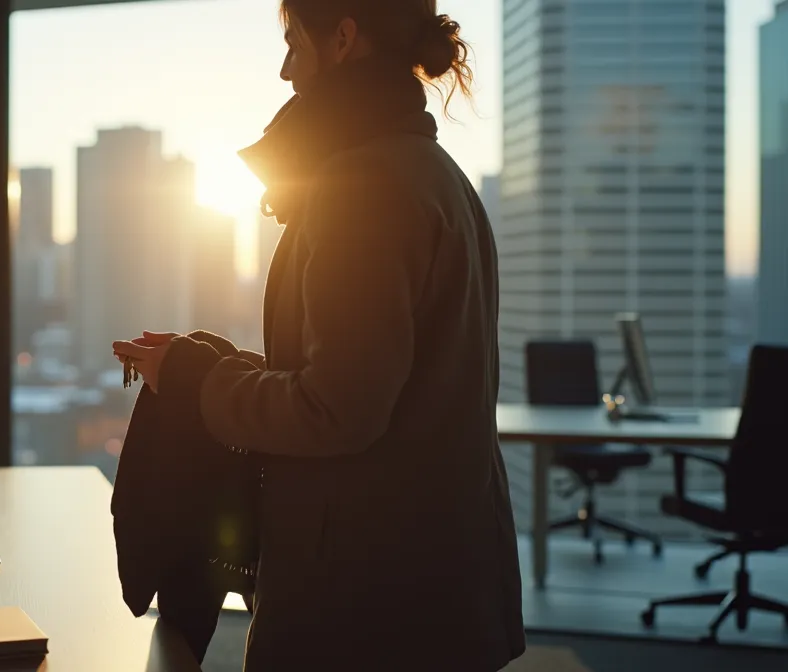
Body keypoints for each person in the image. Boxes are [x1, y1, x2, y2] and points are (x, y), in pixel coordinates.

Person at [111, 1, 525, 669]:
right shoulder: (432, 174)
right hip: (437, 575)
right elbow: (384, 384)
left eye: (293, 45)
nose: (283, 71)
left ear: (343, 38)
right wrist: (201, 363)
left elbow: (338, 410)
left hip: (366, 601)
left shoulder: (362, 187)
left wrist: (195, 382)